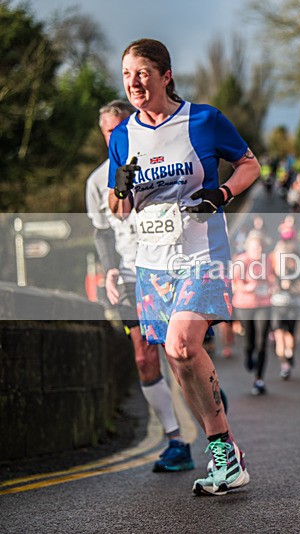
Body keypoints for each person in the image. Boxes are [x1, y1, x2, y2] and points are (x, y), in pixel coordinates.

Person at [107, 39, 259, 496]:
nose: (134, 82)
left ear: (165, 75)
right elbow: (120, 210)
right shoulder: (122, 136)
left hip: (201, 254)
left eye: (143, 72)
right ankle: (223, 451)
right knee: (177, 357)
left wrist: (223, 194)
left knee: (181, 342)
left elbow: (250, 165)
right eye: (127, 73)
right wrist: (121, 188)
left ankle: (226, 451)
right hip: (152, 263)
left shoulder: (204, 119)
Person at [86, 99, 193, 473]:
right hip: (132, 273)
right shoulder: (97, 181)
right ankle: (176, 438)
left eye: (120, 129)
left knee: (179, 353)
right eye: (108, 132)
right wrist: (110, 270)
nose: (115, 136)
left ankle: (204, 395)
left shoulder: (158, 161)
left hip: (169, 266)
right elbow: (101, 233)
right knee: (144, 356)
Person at [232, 232, 274, 395]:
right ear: (248, 247)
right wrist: (247, 288)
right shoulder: (242, 261)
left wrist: (272, 286)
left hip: (264, 304)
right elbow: (234, 283)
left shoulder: (267, 260)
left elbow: (270, 278)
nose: (258, 250)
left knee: (262, 341)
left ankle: (259, 379)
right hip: (245, 304)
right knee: (249, 341)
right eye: (254, 247)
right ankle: (248, 354)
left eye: (260, 246)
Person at [269, 237, 300, 379]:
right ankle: (284, 364)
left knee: (290, 334)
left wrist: (292, 286)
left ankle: (289, 354)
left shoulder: (295, 268)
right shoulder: (271, 268)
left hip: (291, 306)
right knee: (279, 334)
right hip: (277, 306)